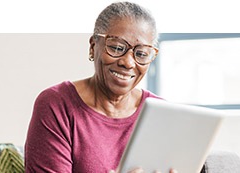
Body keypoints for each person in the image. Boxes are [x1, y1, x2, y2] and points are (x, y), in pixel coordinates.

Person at [25, 1, 180, 173]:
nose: (128, 62)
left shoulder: (162, 113)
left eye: (141, 54)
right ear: (93, 47)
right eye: (116, 47)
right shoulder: (57, 104)